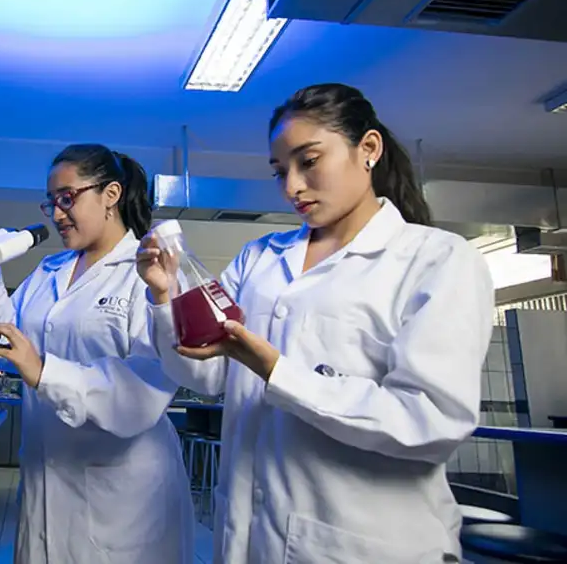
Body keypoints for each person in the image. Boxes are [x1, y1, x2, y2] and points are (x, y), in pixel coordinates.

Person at [137, 83, 494, 564]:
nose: (292, 186)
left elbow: (430, 421)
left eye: (309, 161)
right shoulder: (260, 258)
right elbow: (208, 376)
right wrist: (165, 294)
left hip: (367, 543)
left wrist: (276, 370)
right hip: (251, 534)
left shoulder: (437, 259)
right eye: (280, 170)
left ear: (368, 149)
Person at [0, 144, 194, 564]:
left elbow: (141, 396)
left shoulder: (147, 271)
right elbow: (3, 347)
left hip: (125, 498)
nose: (56, 214)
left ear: (111, 194)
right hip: (45, 478)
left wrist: (43, 371)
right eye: (51, 202)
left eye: (67, 198)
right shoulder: (48, 270)